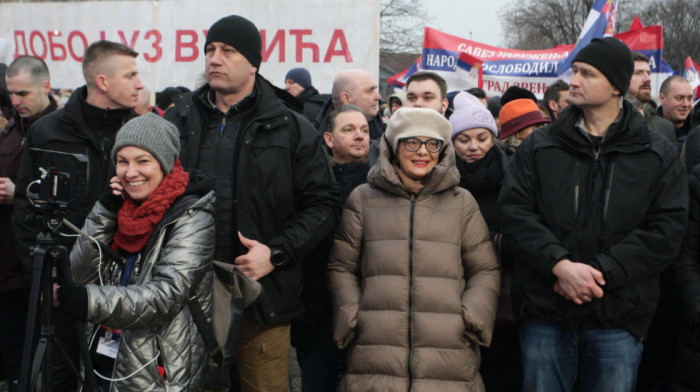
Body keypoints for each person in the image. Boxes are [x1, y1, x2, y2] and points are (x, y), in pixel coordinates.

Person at [498, 37, 688, 392]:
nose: (574, 81)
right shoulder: (541, 146)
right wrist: (560, 265)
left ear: (616, 85)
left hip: (618, 317)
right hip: (545, 313)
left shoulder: (654, 153)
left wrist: (599, 274)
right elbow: (515, 212)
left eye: (587, 73)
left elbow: (666, 230)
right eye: (575, 72)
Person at [164, 15, 340, 392]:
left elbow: (324, 205)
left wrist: (276, 253)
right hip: (187, 295)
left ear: (254, 63)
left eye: (228, 51)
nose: (214, 58)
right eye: (210, 50)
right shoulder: (179, 118)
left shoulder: (291, 126)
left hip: (262, 299)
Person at [329, 106, 500, 391]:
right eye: (412, 141)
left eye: (433, 143)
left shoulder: (462, 202)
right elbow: (342, 266)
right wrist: (351, 314)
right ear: (394, 147)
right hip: (375, 344)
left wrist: (472, 316)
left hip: (449, 348)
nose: (423, 151)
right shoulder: (363, 199)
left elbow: (485, 268)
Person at [55, 113, 214, 391]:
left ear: (164, 163)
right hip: (106, 362)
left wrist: (90, 302)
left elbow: (166, 296)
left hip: (156, 373)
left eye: (143, 161)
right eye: (122, 161)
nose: (130, 173)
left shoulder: (192, 215)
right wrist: (104, 211)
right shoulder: (120, 208)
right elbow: (79, 274)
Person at [293, 104, 370, 392]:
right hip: (317, 309)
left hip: (368, 307)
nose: (359, 136)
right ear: (328, 139)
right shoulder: (309, 181)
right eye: (348, 130)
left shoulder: (384, 183)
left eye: (363, 129)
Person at [449, 91, 519, 390]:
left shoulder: (513, 173)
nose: (473, 147)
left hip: (503, 291)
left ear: (494, 138)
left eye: (482, 138)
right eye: (463, 140)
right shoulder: (442, 177)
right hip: (454, 287)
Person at [0, 55, 57, 390]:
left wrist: (19, 193)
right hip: (8, 267)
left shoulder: (61, 131)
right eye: (10, 94)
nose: (15, 101)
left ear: (45, 87)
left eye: (22, 93)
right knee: (13, 359)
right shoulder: (10, 130)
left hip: (40, 268)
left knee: (40, 363)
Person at [315, 69, 384, 138]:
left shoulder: (383, 131)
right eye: (370, 91)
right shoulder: (316, 143)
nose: (378, 97)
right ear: (346, 99)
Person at [626, 53, 675, 143]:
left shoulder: (665, 127)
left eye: (648, 73)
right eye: (638, 73)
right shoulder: (605, 122)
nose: (648, 79)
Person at [659, 75, 695, 151]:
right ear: (662, 98)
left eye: (690, 98)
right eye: (679, 98)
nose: (686, 104)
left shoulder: (696, 129)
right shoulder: (648, 129)